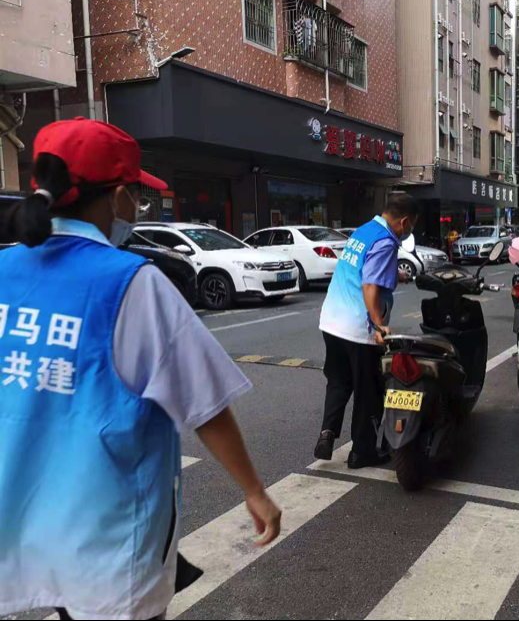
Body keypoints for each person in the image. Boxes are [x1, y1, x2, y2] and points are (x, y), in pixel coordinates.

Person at [0, 118, 281, 621]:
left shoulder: (4, 272)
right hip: (107, 539)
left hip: (23, 522)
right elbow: (204, 402)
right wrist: (254, 490)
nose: (136, 206)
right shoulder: (131, 283)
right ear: (117, 198)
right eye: (135, 194)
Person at [315, 192, 420, 469]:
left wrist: (396, 275)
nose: (409, 232)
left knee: (338, 382)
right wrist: (378, 325)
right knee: (368, 391)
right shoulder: (386, 242)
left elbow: (362, 269)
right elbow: (370, 285)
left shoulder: (364, 231)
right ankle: (362, 452)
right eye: (412, 227)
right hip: (356, 329)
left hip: (331, 322)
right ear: (405, 222)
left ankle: (327, 433)